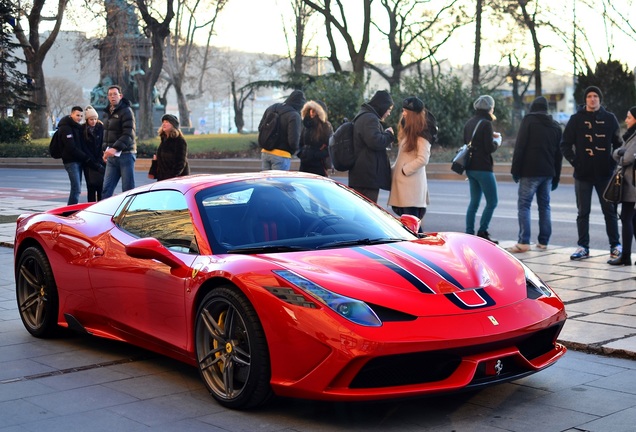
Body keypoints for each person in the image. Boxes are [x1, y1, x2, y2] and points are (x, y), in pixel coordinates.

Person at [560, 86, 623, 261]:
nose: (592, 99)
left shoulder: (610, 119)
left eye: (596, 96)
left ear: (600, 99)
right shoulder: (576, 119)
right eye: (589, 96)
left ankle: (615, 246)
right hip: (583, 174)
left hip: (605, 174)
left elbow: (619, 145)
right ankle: (583, 247)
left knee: (609, 211)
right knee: (583, 212)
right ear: (585, 99)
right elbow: (564, 144)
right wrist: (576, 162)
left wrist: (612, 161)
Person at [507, 96, 563, 253]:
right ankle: (543, 241)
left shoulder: (529, 121)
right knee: (544, 206)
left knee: (524, 205)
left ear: (533, 107)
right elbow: (559, 154)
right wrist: (556, 177)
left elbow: (520, 147)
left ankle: (524, 242)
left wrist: (515, 170)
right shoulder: (555, 126)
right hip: (548, 173)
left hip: (530, 171)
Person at [387, 96, 431, 230]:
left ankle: (420, 250)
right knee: (409, 226)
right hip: (405, 187)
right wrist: (394, 170)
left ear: (413, 115)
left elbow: (423, 158)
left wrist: (404, 170)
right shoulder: (408, 132)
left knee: (412, 228)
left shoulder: (422, 134)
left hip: (411, 189)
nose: (403, 114)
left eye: (406, 111)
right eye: (403, 110)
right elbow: (403, 158)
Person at [464, 95, 502, 243]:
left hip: (470, 167)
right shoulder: (486, 123)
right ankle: (482, 231)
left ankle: (468, 232)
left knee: (474, 202)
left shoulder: (469, 123)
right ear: (489, 108)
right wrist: (497, 142)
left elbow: (467, 142)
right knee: (492, 201)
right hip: (483, 168)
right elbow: (488, 148)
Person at [348, 90, 395, 203]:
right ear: (382, 106)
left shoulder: (364, 116)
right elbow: (375, 141)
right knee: (366, 214)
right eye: (388, 109)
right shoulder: (370, 118)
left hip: (362, 175)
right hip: (367, 177)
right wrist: (389, 135)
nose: (389, 113)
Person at [608, 106, 636, 265]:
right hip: (630, 182)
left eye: (629, 117)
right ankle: (626, 256)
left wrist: (620, 153)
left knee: (626, 218)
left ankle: (625, 257)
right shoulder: (630, 135)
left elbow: (626, 159)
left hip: (632, 185)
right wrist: (620, 153)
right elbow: (619, 152)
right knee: (633, 219)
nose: (626, 120)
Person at [101, 84, 137, 198]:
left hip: (126, 155)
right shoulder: (107, 112)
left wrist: (114, 148)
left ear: (120, 96)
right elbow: (106, 134)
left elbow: (128, 134)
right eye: (110, 95)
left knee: (128, 190)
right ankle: (104, 214)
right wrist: (105, 150)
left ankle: (129, 214)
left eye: (115, 94)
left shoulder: (126, 111)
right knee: (106, 190)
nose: (112, 97)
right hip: (111, 156)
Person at [260, 89, 306, 171]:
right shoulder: (294, 115)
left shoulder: (272, 108)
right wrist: (294, 150)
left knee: (266, 183)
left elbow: (260, 127)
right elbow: (293, 140)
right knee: (279, 183)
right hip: (281, 155)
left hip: (265, 152)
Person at [57, 106, 89, 205]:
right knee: (76, 189)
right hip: (71, 162)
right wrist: (85, 157)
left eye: (81, 116)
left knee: (76, 188)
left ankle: (71, 210)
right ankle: (69, 212)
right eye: (77, 115)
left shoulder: (77, 127)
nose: (79, 118)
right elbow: (71, 147)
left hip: (78, 160)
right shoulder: (65, 128)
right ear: (71, 114)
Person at [148, 114, 190, 181]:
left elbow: (180, 162)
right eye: (163, 122)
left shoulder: (179, 141)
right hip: (163, 178)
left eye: (167, 122)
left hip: (175, 180)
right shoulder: (164, 139)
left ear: (173, 125)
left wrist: (172, 177)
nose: (164, 124)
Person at [298, 100, 333, 177]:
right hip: (304, 163)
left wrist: (316, 155)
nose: (311, 112)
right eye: (310, 110)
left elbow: (330, 146)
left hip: (318, 165)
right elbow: (300, 143)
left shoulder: (325, 126)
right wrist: (301, 153)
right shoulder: (306, 125)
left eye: (314, 110)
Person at [81, 105, 105, 202]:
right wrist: (91, 161)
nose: (94, 121)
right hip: (88, 163)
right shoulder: (82, 129)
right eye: (91, 119)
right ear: (87, 119)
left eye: (95, 119)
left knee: (101, 187)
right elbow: (84, 147)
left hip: (100, 161)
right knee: (90, 187)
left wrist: (100, 161)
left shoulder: (101, 127)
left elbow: (102, 144)